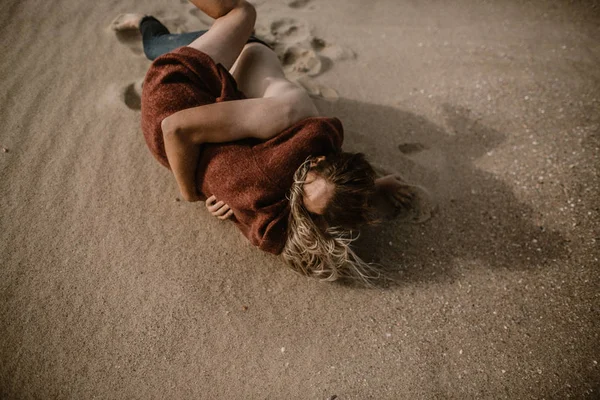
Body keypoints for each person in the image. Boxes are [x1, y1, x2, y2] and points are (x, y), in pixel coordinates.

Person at [112, 0, 415, 283]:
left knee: (166, 45)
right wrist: (190, 191)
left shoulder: (301, 159)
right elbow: (175, 128)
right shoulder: (290, 113)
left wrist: (375, 187)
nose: (294, 188)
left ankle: (153, 25)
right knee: (239, 14)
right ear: (322, 157)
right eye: (306, 182)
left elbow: (328, 185)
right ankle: (147, 22)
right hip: (237, 55)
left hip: (221, 101)